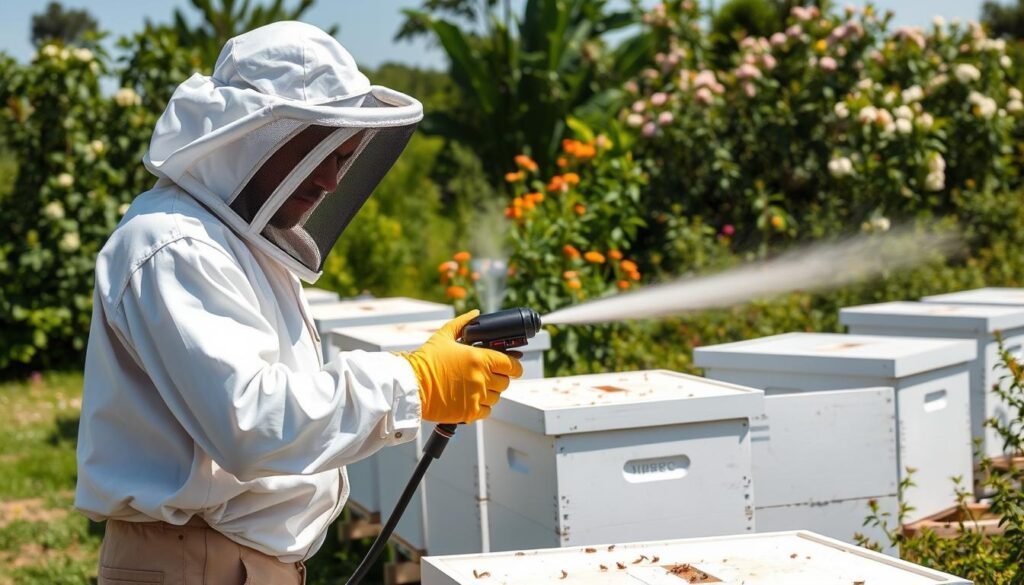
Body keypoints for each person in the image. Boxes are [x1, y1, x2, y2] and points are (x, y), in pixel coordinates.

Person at [74, 21, 522, 585]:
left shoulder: (230, 244)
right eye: (323, 152)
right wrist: (414, 382)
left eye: (346, 157)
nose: (334, 181)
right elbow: (254, 422)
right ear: (258, 133)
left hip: (226, 558)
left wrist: (421, 373)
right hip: (198, 562)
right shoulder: (175, 245)